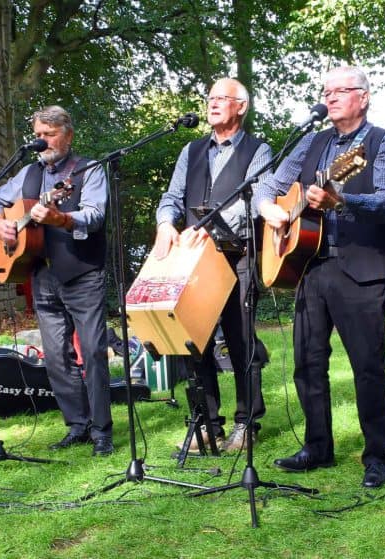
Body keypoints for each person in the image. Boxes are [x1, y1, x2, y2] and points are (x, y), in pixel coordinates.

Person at [255, 66, 385, 489]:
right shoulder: (311, 141)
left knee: (367, 367)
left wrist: (343, 199)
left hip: (360, 269)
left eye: (341, 90)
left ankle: (377, 456)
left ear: (364, 97)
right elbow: (267, 185)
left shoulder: (384, 143)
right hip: (309, 266)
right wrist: (269, 209)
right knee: (307, 365)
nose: (332, 97)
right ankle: (317, 447)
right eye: (327, 91)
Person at [0, 106, 113, 457]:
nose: (42, 142)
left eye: (49, 135)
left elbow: (96, 215)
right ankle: (77, 425)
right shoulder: (27, 173)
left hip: (83, 272)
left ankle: (102, 431)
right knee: (56, 356)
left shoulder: (89, 170)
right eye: (38, 135)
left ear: (67, 135)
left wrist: (60, 218)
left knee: (94, 353)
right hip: (42, 274)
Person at [152, 78, 272, 453]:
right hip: (193, 259)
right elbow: (172, 195)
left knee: (240, 343)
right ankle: (207, 423)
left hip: (238, 256)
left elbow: (252, 199)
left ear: (241, 107)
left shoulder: (259, 150)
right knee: (193, 340)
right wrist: (165, 223)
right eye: (211, 98)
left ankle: (246, 423)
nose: (213, 104)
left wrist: (207, 227)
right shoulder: (192, 150)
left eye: (223, 98)